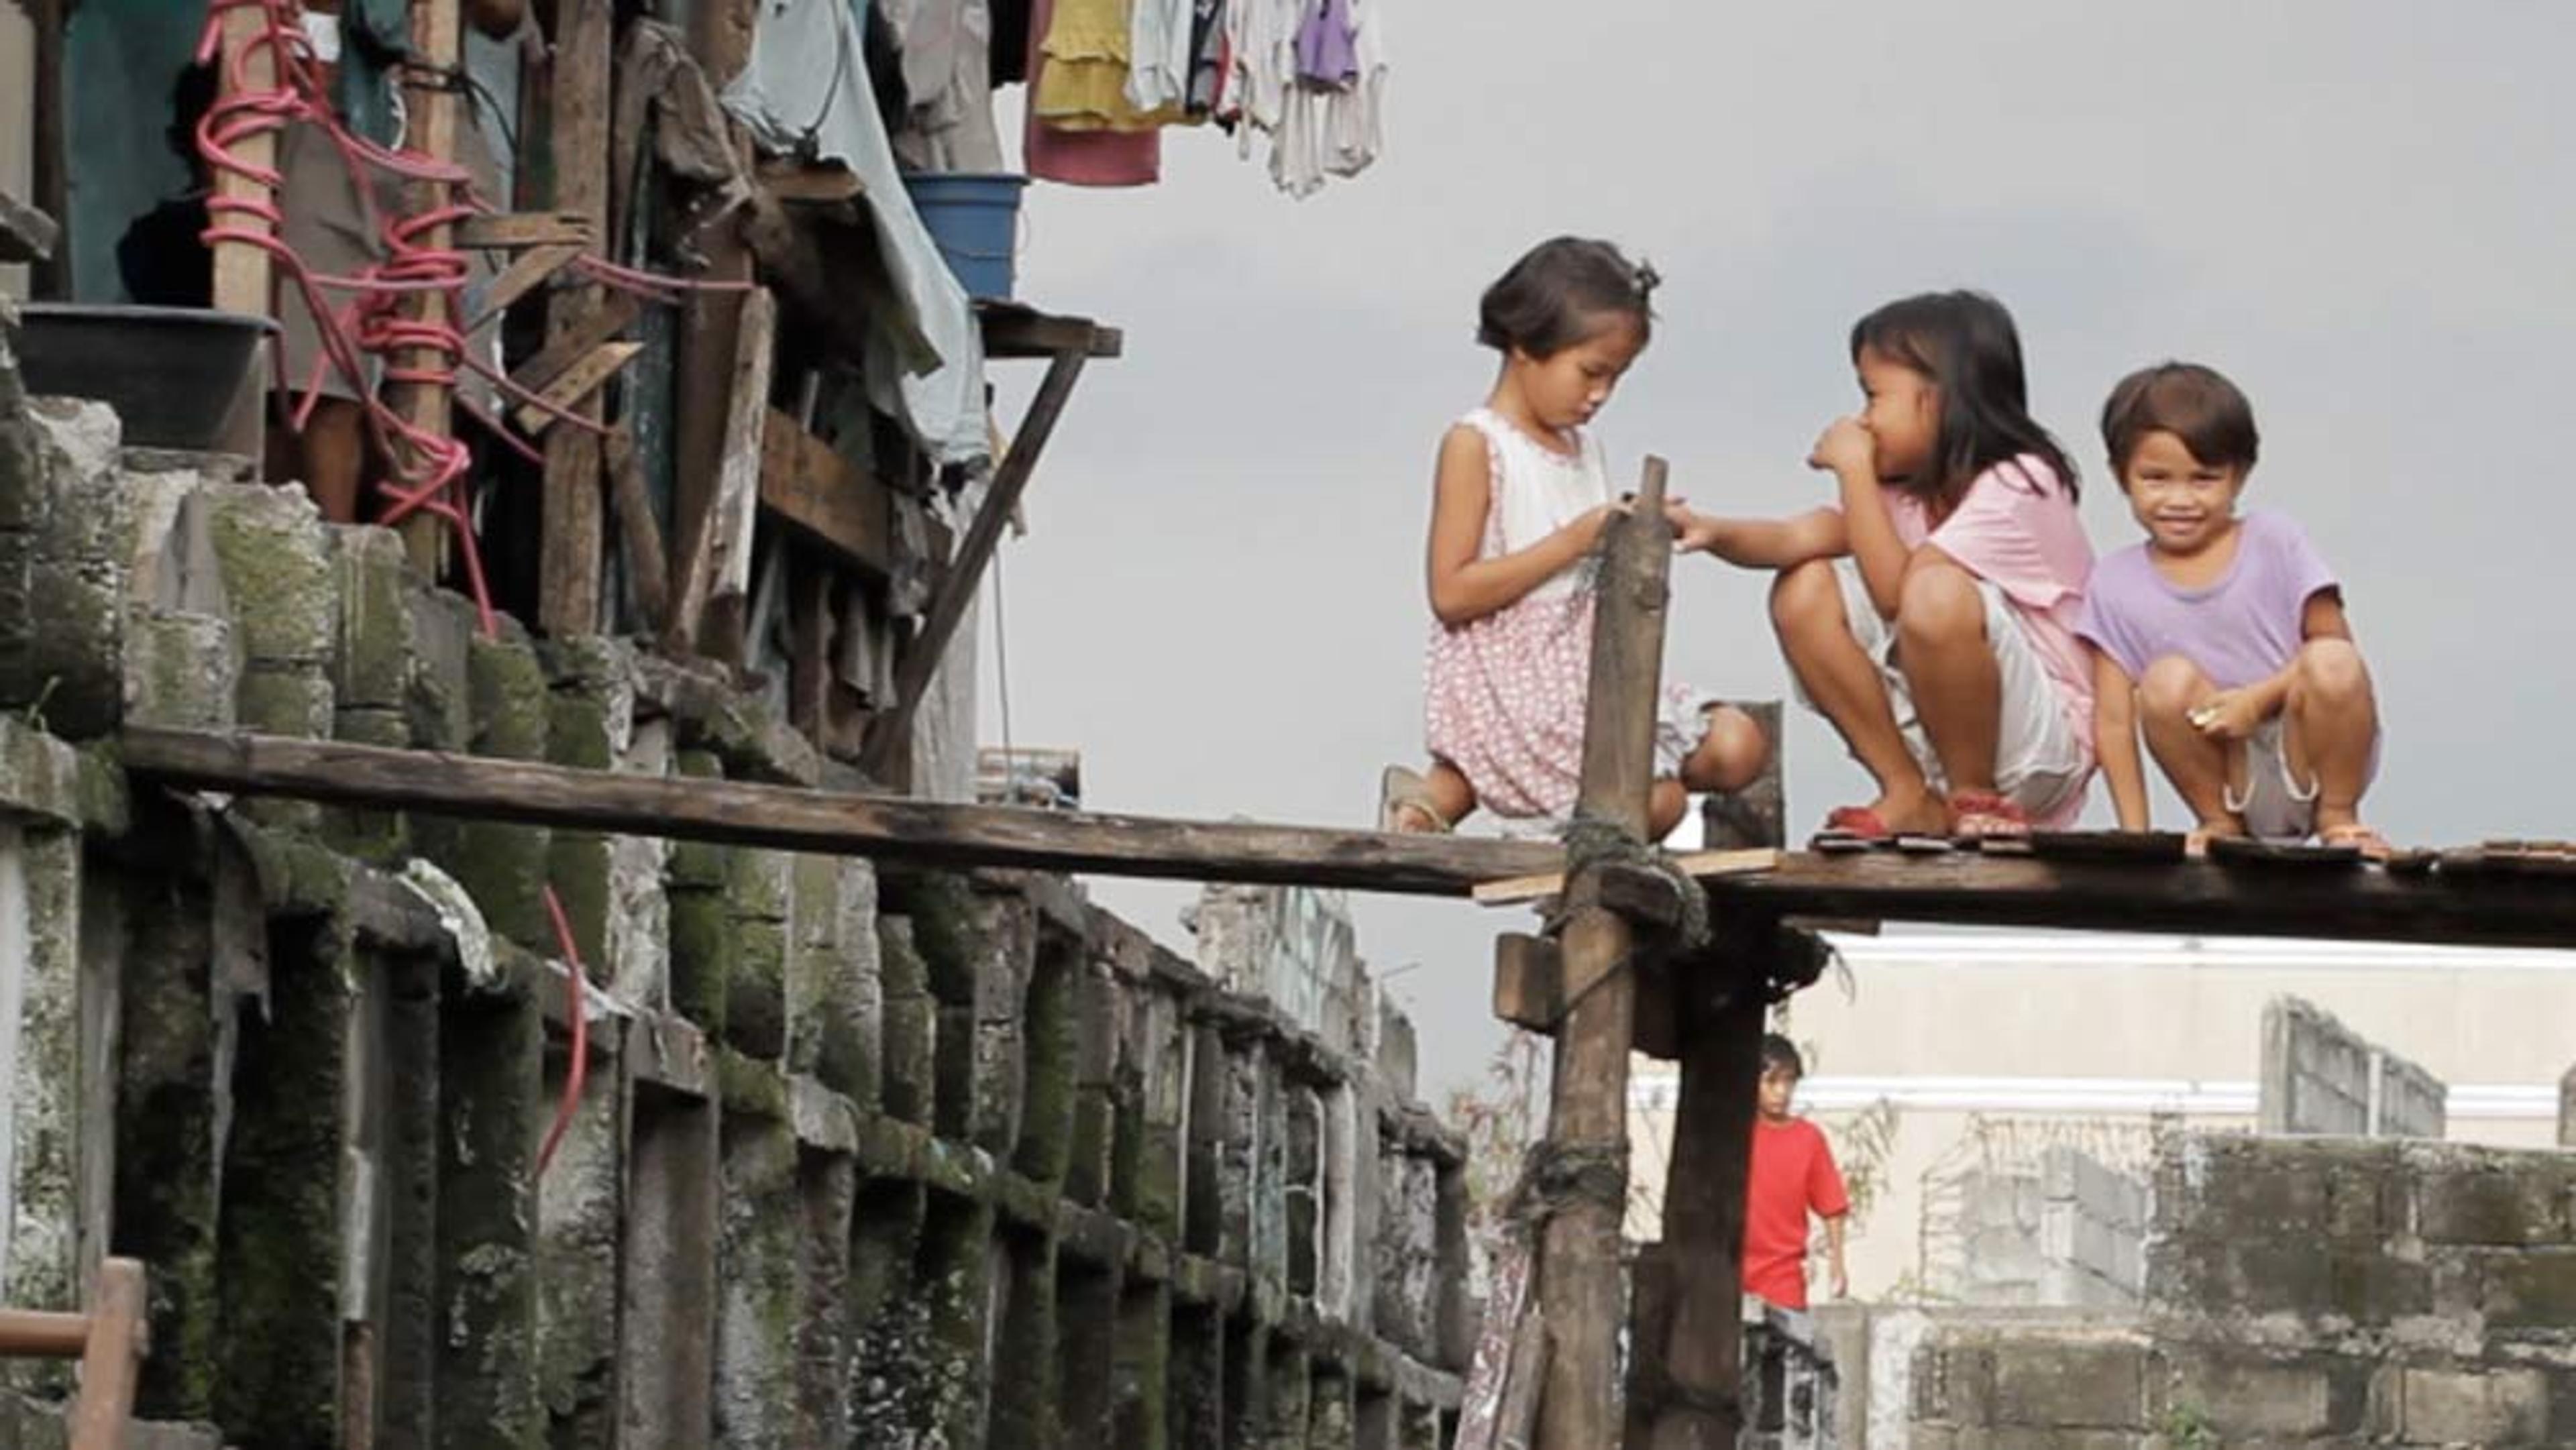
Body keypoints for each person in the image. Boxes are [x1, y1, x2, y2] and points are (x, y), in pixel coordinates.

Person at [1666, 290, 2095, 840]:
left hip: (2037, 752)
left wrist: (1853, 472)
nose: (1863, 421)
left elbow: (1901, 595)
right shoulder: (1899, 497)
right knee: (1805, 584)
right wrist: (1712, 530)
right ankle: (1907, 789)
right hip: (1944, 740)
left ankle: (1974, 796)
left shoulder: (2020, 483)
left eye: (1873, 397)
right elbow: (1795, 537)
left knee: (1935, 590)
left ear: (1939, 399)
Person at [1379, 237, 1768, 840]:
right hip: (1516, 687)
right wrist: (1576, 540)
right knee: (1652, 806)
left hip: (1594, 672)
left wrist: (1639, 532)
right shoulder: (1476, 443)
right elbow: (1451, 592)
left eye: (1617, 377)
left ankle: (1446, 796)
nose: (1601, 394)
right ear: (1525, 346)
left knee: (1739, 745)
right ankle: (1490, 810)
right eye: (1590, 372)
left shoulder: (1587, 450)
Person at [2078, 363, 2387, 853]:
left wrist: (2256, 702)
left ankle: (2339, 818)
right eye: (2156, 479)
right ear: (2122, 476)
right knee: (2164, 681)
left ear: (2239, 477)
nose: (2179, 500)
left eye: (2203, 480)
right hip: (2227, 769)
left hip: (2306, 747)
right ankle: (2220, 821)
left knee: (2333, 662)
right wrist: (2133, 837)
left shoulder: (2274, 540)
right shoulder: (2113, 582)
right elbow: (2114, 721)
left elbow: (2335, 646)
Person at [266, 0, 525, 523]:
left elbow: (504, 15)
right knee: (316, 370)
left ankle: (416, 570)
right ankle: (334, 563)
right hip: (317, 113)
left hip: (431, 116)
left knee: (453, 375)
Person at [1743, 1034, 1848, 1311]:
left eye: (1789, 1081)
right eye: (1772, 1081)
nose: (1782, 1092)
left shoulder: (1808, 1139)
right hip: (1732, 1275)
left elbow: (1832, 1205)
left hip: (1783, 1279)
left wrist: (1837, 1263)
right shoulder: (1735, 1136)